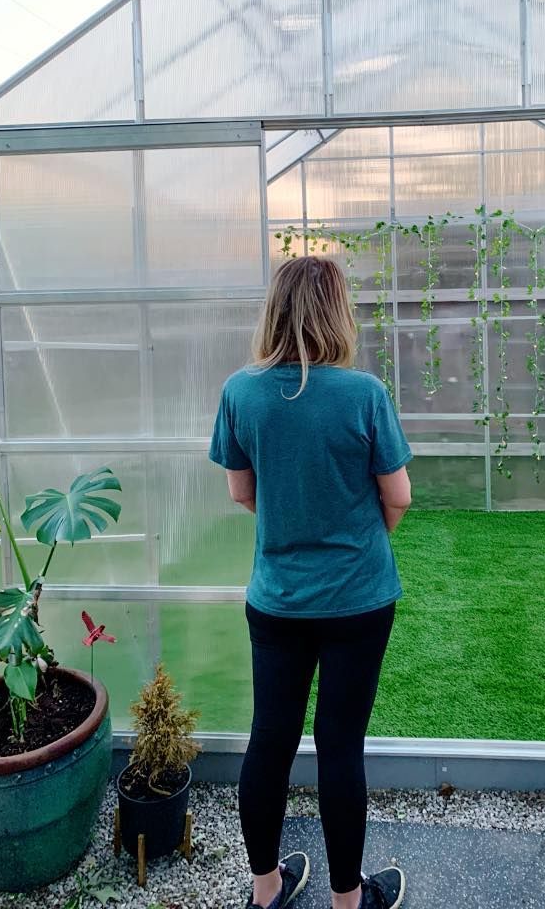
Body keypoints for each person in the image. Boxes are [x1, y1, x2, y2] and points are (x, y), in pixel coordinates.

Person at [209, 255, 413, 909]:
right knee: (339, 743)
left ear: (275, 310)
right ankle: (348, 901)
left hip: (276, 600)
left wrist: (291, 519)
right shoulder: (364, 394)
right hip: (358, 599)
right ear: (337, 313)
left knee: (270, 738)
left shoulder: (240, 392)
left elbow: (243, 493)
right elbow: (399, 495)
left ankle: (266, 891)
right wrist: (361, 538)